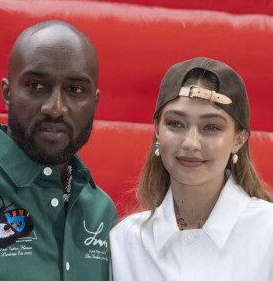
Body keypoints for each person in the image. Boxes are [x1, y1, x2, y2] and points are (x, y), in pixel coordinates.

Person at [0, 20, 117, 280]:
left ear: (94, 102)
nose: (55, 108)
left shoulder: (101, 210)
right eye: (37, 86)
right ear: (7, 93)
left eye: (74, 90)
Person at [109, 57, 273, 281]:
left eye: (211, 127)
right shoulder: (124, 242)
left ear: (239, 139)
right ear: (158, 129)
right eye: (176, 123)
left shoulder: (268, 232)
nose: (190, 143)